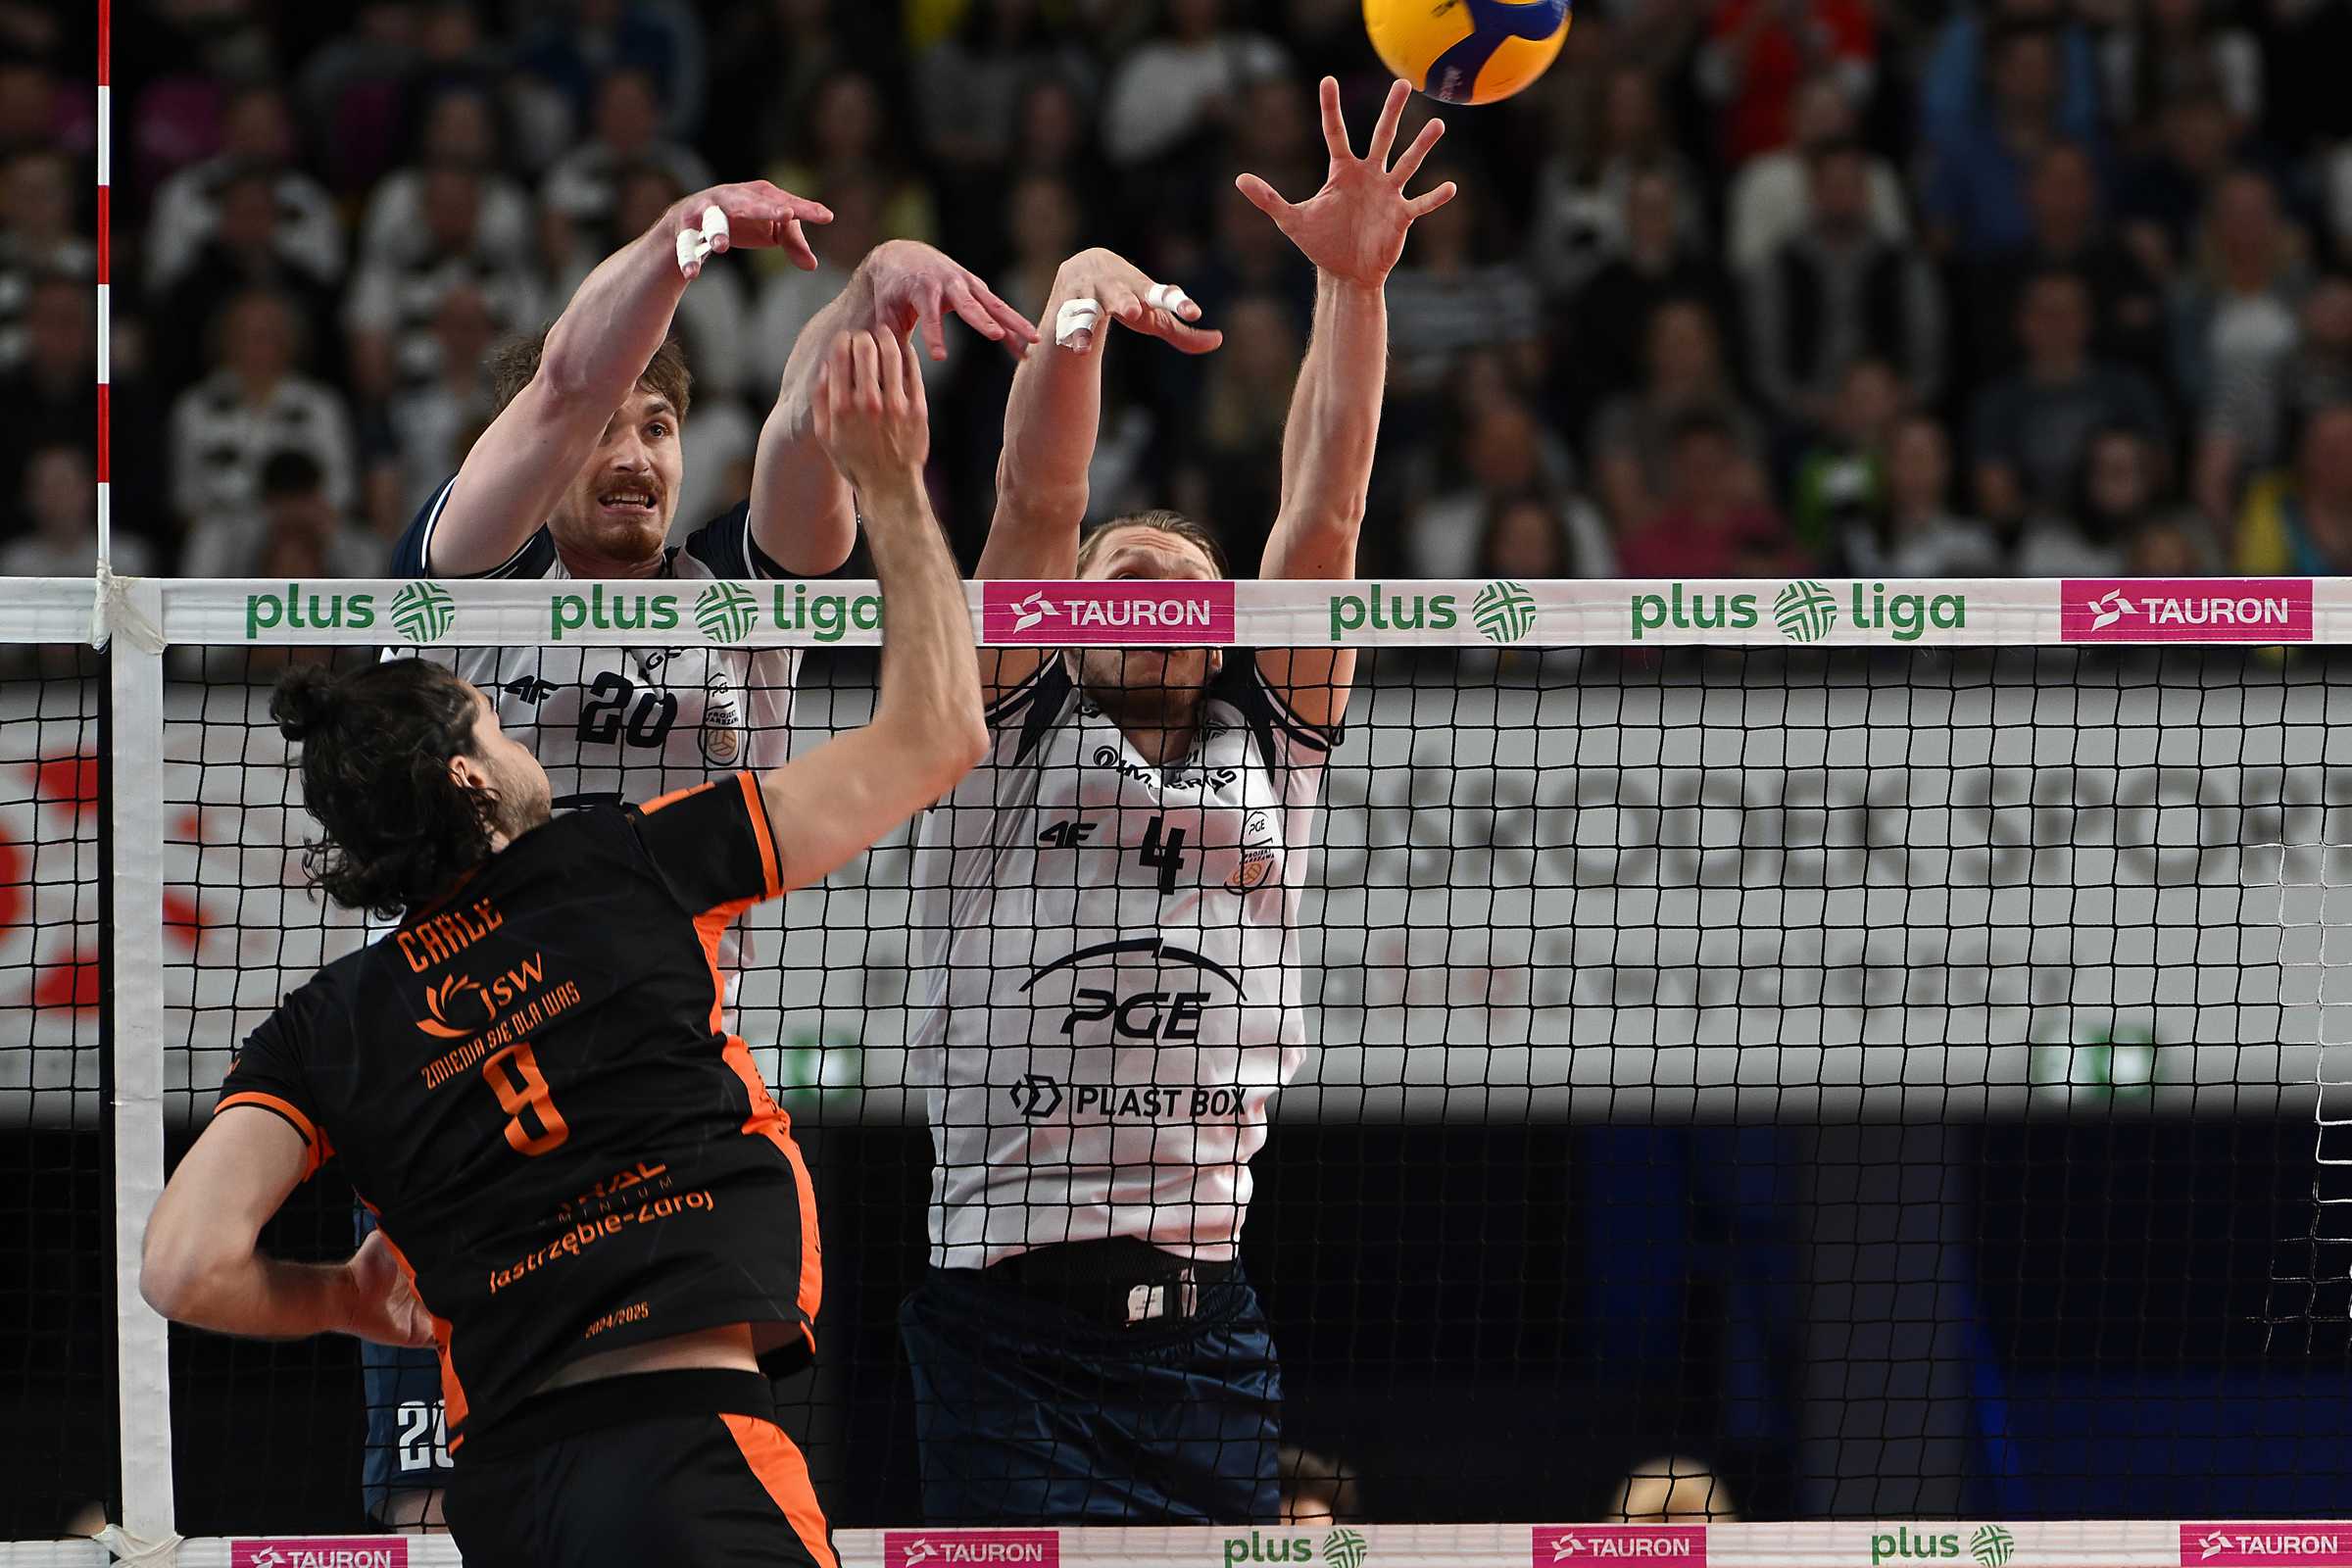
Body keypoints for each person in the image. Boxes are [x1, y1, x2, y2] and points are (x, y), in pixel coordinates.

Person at [139, 326, 989, 1566]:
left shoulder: (326, 1027)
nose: (520, 732)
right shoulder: (627, 867)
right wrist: (898, 487)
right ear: (470, 774)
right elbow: (939, 730)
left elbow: (178, 1266)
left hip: (510, 1494)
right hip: (690, 1450)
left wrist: (340, 1297)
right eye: (495, 720)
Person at [369, 177, 1032, 1530]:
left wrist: (870, 296)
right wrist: (693, 232)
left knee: (678, 1498)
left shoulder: (738, 599)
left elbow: (804, 429)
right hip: (468, 1114)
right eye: (609, 430)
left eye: (660, 426)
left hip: (668, 1117)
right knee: (440, 1521)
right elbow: (566, 380)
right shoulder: (471, 575)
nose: (632, 453)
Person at [898, 77, 1451, 1527]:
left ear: (1222, 637)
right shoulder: (1004, 738)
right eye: (1114, 576)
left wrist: (1352, 289)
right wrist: (1079, 298)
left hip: (1204, 1334)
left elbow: (1324, 511)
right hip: (1004, 1324)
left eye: (1182, 581)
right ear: (1063, 629)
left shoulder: (1271, 741)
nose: (1145, 584)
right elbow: (1034, 498)